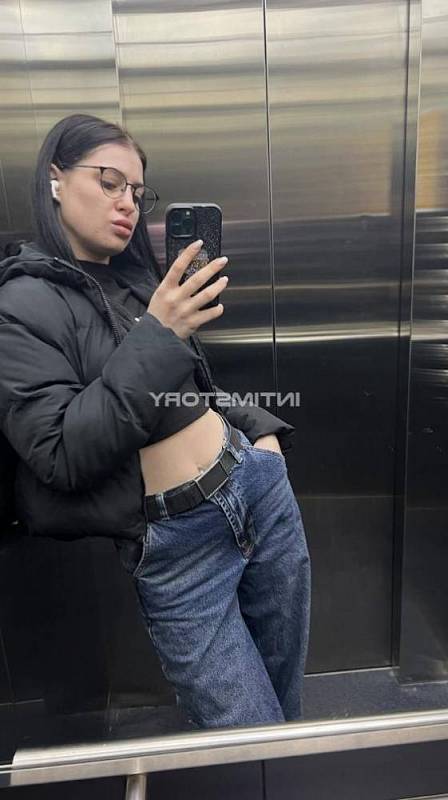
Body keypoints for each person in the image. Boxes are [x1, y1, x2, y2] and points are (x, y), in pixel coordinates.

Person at [0, 113, 311, 730]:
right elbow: (61, 454)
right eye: (109, 181)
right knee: (245, 732)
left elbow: (190, 394)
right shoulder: (19, 305)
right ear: (56, 179)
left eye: (138, 193)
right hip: (178, 541)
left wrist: (262, 433)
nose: (127, 204)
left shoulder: (139, 284)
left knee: (286, 704)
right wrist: (160, 332)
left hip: (257, 491)